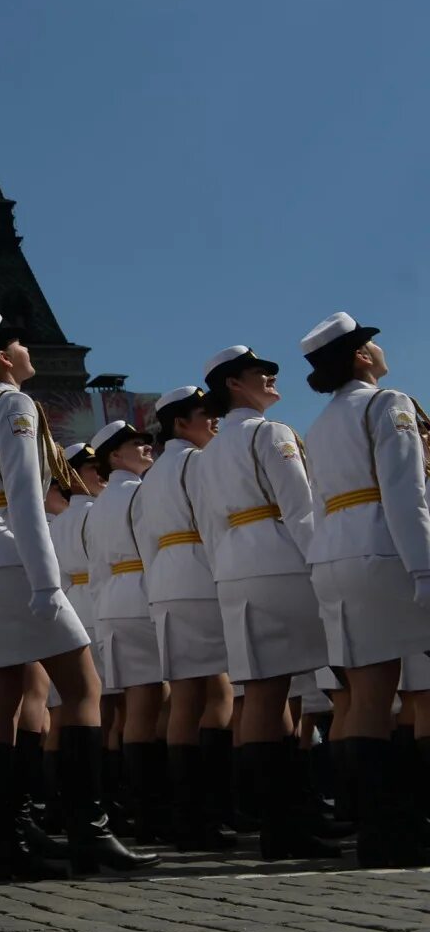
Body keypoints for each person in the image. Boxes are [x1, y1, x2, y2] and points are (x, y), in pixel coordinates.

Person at [0, 309, 155, 881]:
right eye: (19, 343)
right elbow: (22, 497)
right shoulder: (14, 404)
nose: (27, 350)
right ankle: (90, 829)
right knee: (82, 686)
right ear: (2, 358)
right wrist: (46, 581)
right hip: (12, 557)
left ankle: (4, 840)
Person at [300, 311, 430, 866]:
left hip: (335, 555)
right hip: (385, 552)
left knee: (369, 696)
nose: (379, 350)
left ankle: (379, 830)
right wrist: (424, 568)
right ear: (359, 356)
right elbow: (405, 493)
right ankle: (404, 821)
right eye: (370, 344)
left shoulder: (321, 421)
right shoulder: (388, 403)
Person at [198, 341, 335, 861]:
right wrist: (319, 563)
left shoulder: (210, 451)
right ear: (235, 383)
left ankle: (281, 824)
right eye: (262, 372)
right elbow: (299, 510)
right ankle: (299, 819)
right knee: (304, 689)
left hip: (234, 565)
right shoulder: (272, 433)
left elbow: (209, 526)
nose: (272, 379)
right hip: (278, 561)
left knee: (261, 692)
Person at [135, 385, 236, 851]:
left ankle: (185, 811)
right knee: (213, 693)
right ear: (180, 423)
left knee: (186, 697)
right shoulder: (197, 462)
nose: (214, 422)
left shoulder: (151, 474)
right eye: (205, 414)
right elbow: (214, 521)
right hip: (199, 572)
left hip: (166, 579)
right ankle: (204, 811)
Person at [82, 419, 167, 841]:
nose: (147, 448)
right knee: (153, 703)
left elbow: (96, 567)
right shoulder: (141, 493)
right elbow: (154, 548)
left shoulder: (99, 504)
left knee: (137, 707)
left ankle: (135, 805)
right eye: (137, 444)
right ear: (115, 456)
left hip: (114, 601)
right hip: (143, 596)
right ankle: (153, 808)